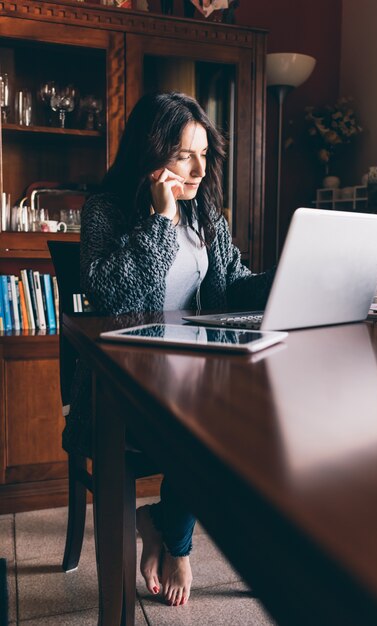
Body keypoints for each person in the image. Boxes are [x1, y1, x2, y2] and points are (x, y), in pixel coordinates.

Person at [64, 91, 274, 607]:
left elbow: (234, 284)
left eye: (205, 153)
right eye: (184, 154)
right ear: (152, 151)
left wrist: (288, 280)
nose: (199, 169)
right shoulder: (105, 212)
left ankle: (165, 524)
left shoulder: (205, 215)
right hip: (122, 390)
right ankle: (176, 543)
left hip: (196, 382)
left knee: (253, 413)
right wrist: (159, 221)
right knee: (218, 423)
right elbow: (121, 301)